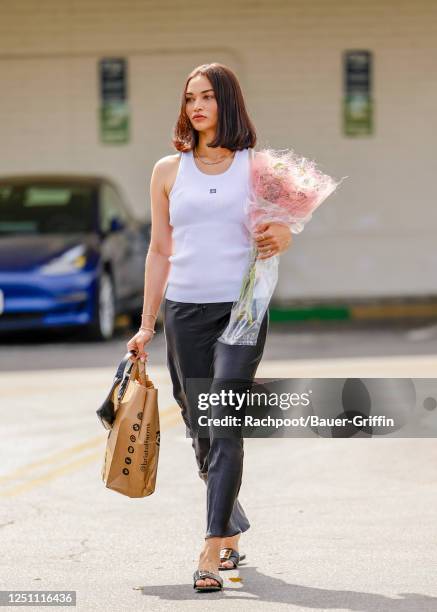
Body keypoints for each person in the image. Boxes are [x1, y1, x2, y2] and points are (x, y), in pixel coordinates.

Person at [127, 62, 292, 592]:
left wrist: (285, 233)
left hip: (243, 307)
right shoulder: (168, 171)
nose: (197, 106)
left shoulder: (258, 167)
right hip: (184, 309)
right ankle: (232, 523)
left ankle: (211, 545)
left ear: (228, 102)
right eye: (190, 97)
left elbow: (285, 224)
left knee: (224, 420)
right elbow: (159, 250)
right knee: (201, 424)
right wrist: (147, 325)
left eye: (208, 97)